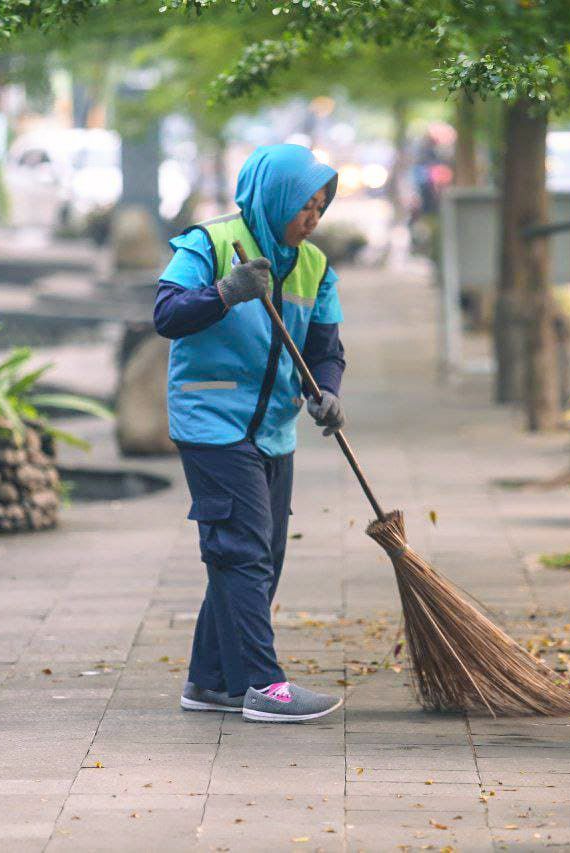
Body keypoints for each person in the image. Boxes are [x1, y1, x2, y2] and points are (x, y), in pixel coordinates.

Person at [153, 144, 347, 723]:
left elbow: (325, 350)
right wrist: (225, 292)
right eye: (303, 205)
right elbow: (166, 314)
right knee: (242, 551)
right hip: (211, 420)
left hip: (273, 428)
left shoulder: (313, 265)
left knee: (260, 553)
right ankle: (264, 685)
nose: (311, 218)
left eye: (320, 206)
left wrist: (327, 391)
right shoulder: (207, 244)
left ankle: (210, 682)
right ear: (275, 197)